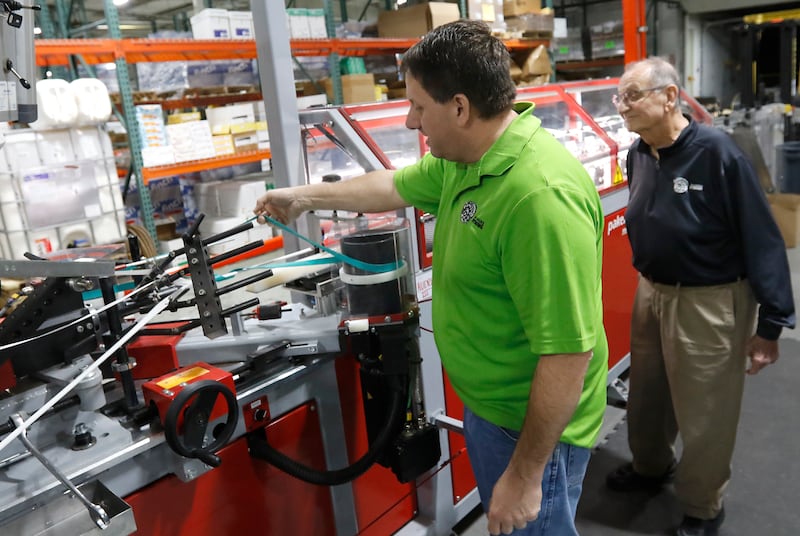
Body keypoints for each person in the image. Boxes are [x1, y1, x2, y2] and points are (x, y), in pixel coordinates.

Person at [254, 19, 608, 536]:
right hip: (495, 409)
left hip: (531, 431)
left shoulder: (538, 198)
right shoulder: (469, 158)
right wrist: (304, 197)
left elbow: (568, 352)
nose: (411, 120)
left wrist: (526, 475)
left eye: (419, 106)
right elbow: (392, 186)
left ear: (460, 108)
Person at [605, 57, 796, 536]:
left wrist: (771, 324)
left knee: (705, 410)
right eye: (618, 97)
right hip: (652, 293)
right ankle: (650, 466)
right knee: (648, 396)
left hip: (708, 301)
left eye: (632, 96)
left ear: (669, 97)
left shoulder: (718, 154)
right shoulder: (638, 154)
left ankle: (702, 505)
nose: (621, 106)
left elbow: (762, 237)